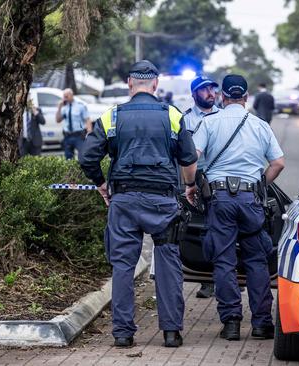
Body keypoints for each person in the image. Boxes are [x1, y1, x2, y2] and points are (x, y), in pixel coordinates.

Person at [79, 60, 198, 349]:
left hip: (124, 202)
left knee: (122, 266)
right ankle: (171, 333)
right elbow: (188, 159)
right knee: (169, 265)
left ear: (130, 84)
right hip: (163, 202)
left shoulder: (112, 117)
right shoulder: (172, 115)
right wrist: (191, 186)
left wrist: (101, 183)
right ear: (155, 85)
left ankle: (122, 334)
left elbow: (86, 158)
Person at [186, 74, 285, 341]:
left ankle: (231, 323)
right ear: (246, 97)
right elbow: (278, 163)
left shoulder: (209, 122)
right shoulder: (260, 125)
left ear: (223, 96)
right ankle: (262, 324)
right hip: (250, 199)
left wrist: (191, 185)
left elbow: (191, 158)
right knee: (256, 260)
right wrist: (259, 185)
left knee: (224, 260)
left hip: (219, 200)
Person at [183, 75, 219, 299]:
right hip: (195, 179)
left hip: (219, 178)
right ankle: (207, 280)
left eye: (212, 89)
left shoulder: (224, 116)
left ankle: (229, 275)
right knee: (201, 231)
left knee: (223, 229)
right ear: (194, 94)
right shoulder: (185, 120)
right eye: (204, 90)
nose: (210, 93)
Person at [56, 88, 92, 160]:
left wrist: (89, 132)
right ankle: (71, 171)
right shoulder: (64, 108)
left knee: (83, 156)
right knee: (68, 158)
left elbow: (87, 119)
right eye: (64, 97)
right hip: (67, 136)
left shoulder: (80, 106)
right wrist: (59, 108)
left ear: (72, 95)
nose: (65, 98)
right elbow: (58, 120)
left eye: (66, 96)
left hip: (79, 136)